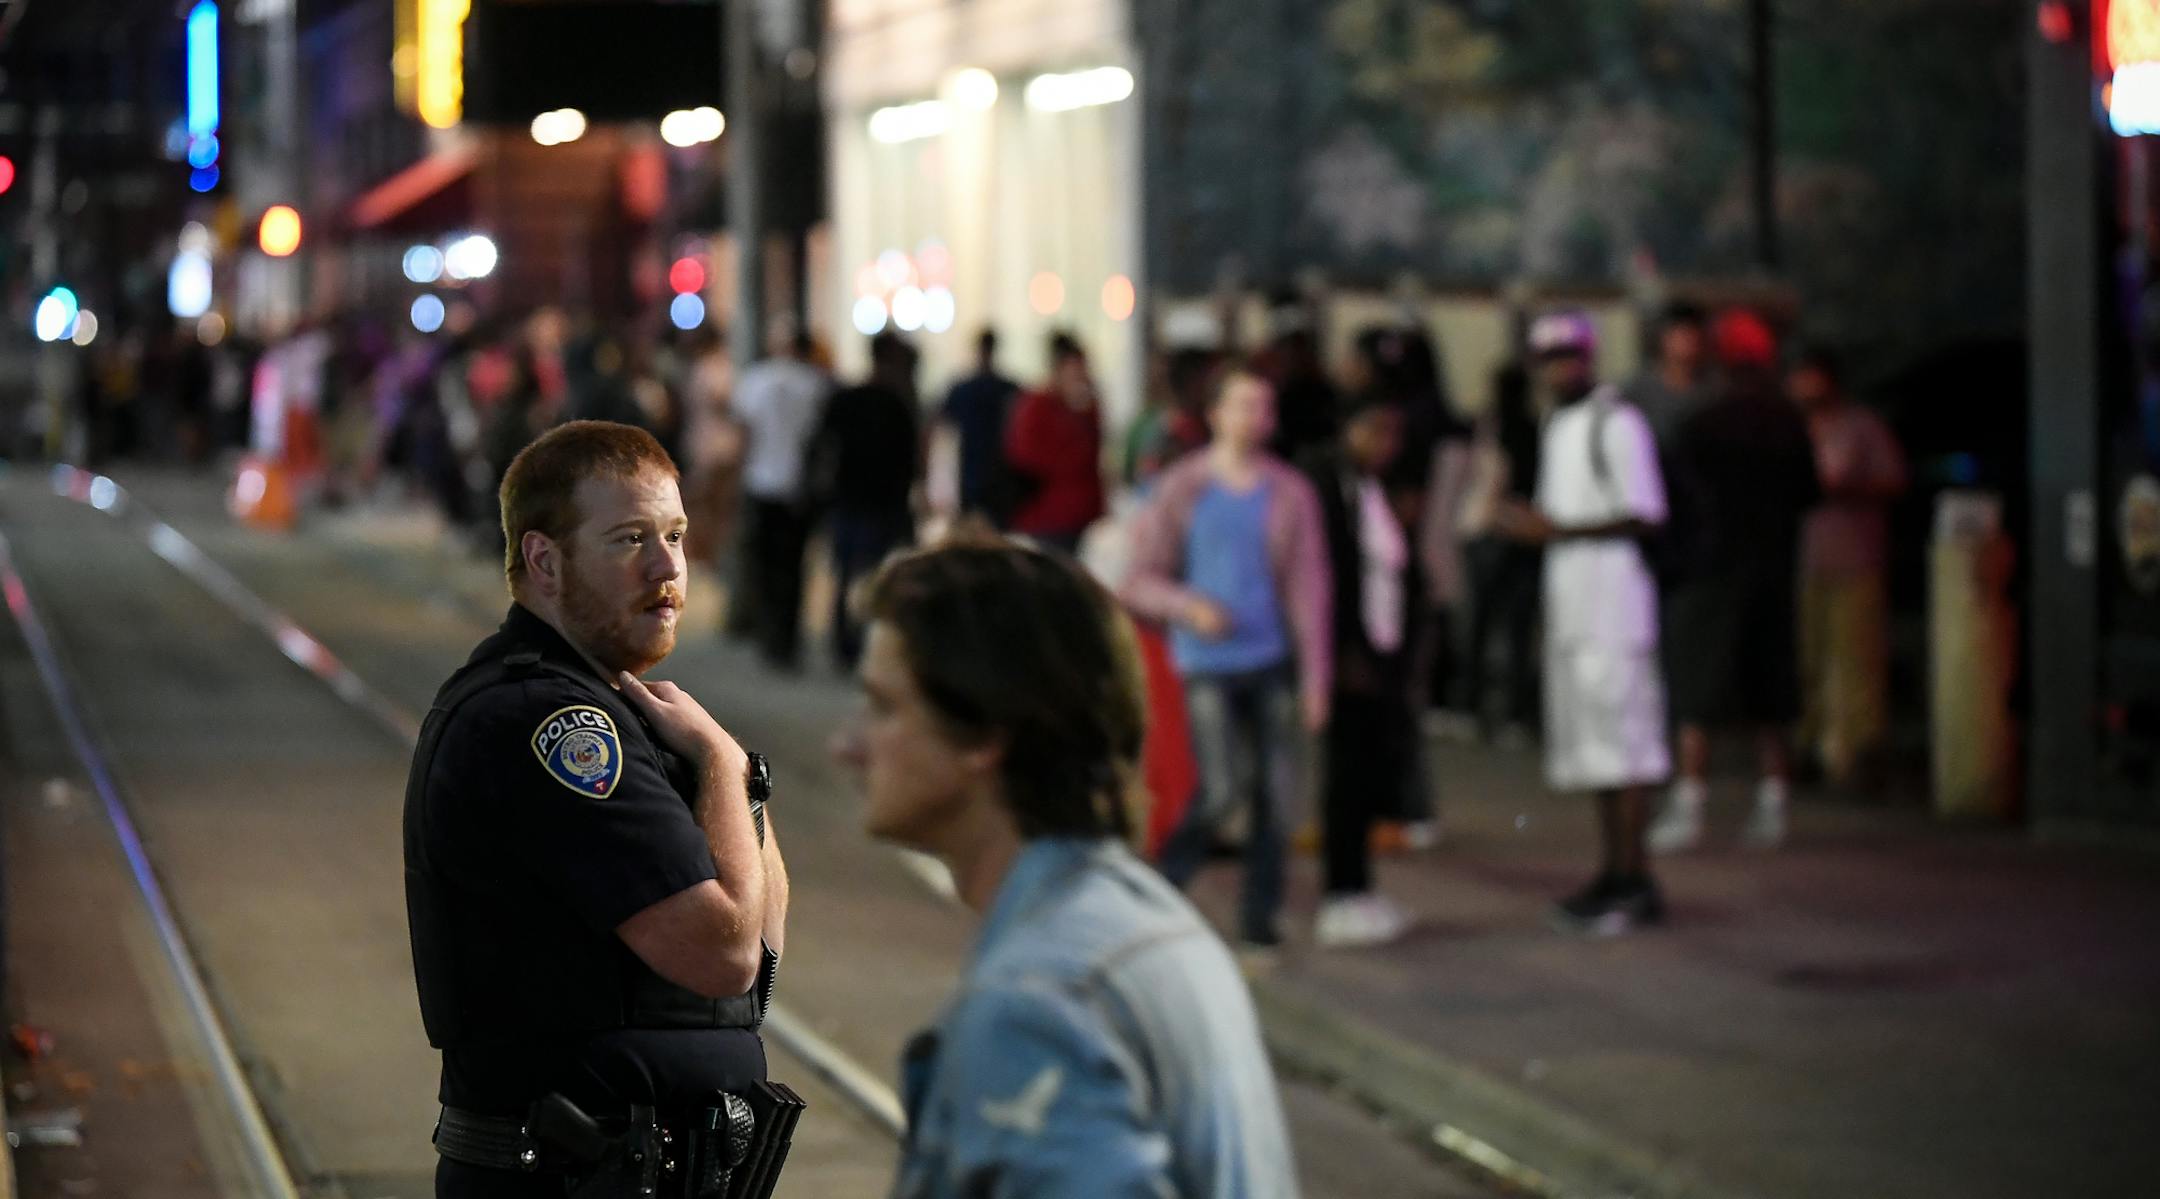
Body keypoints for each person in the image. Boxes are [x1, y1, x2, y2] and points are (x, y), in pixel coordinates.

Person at [836, 536, 1299, 1198]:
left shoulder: (1034, 1005)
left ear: (985, 733)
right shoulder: (1154, 923)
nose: (847, 745)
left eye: (884, 707)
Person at [404, 420, 791, 1197]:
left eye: (676, 535)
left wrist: (730, 776)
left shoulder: (625, 706)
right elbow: (725, 955)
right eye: (628, 540)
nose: (668, 566)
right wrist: (721, 761)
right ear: (545, 560)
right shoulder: (552, 723)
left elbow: (764, 941)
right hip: (573, 1176)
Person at [1123, 369, 1331, 955]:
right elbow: (1138, 578)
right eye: (1242, 404)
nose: (1254, 417)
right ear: (1216, 413)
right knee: (1221, 788)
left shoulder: (1290, 493)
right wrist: (1189, 607)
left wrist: (1317, 677)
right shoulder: (1183, 487)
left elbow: (1309, 588)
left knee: (1276, 794)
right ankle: (1159, 890)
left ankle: (1258, 912)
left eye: (1263, 406)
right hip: (1207, 660)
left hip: (1271, 657)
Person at [1494, 312, 1672, 934]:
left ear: (1591, 356)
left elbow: (1645, 514)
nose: (1560, 367)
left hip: (1615, 611)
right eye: (1549, 357)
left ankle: (1635, 879)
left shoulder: (1614, 422)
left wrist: (1556, 531)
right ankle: (1614, 873)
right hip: (1575, 610)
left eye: (1570, 354)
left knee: (1625, 750)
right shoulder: (1560, 424)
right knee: (1596, 753)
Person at [1648, 309, 1823, 852]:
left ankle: (1690, 805)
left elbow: (1669, 500)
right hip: (1772, 568)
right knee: (1771, 689)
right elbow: (1809, 493)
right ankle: (1774, 805)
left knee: (1698, 691)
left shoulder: (1699, 423)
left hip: (1707, 571)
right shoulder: (1787, 420)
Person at [1303, 393, 1419, 947]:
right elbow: (1324, 574)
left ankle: (1358, 886)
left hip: (1379, 648)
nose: (1386, 446)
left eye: (1394, 434)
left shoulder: (1371, 488)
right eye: (1376, 431)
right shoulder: (1324, 483)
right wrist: (1340, 649)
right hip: (1347, 652)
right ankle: (1339, 891)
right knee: (1345, 776)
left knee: (1368, 771)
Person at [1790, 346, 1908, 786]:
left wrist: (1849, 487)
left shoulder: (1861, 426)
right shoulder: (1792, 430)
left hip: (1856, 558)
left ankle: (1864, 752)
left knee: (1858, 656)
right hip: (1804, 561)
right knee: (1809, 658)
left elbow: (1894, 479)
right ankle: (1809, 746)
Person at [809, 332, 922, 669]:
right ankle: (864, 644)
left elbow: (821, 444)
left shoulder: (847, 398)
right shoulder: (899, 402)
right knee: (876, 577)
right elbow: (913, 459)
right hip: (884, 503)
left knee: (846, 575)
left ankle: (845, 645)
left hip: (848, 498)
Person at [733, 317, 832, 670]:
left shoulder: (756, 379)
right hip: (800, 489)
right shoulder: (817, 384)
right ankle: (788, 638)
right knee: (794, 565)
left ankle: (769, 635)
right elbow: (822, 441)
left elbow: (744, 434)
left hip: (761, 483)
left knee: (765, 562)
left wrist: (739, 477)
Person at [1004, 331, 1106, 555]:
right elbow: (1024, 458)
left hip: (1081, 515)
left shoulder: (1087, 408)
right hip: (1047, 517)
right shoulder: (1036, 406)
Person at [938, 328, 1021, 524]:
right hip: (994, 472)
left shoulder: (962, 389)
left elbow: (941, 428)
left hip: (974, 472)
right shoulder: (1007, 389)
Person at [1625, 301, 1715, 451]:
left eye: (1693, 332)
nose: (1688, 339)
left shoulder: (1713, 392)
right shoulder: (1637, 393)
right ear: (1663, 338)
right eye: (1680, 332)